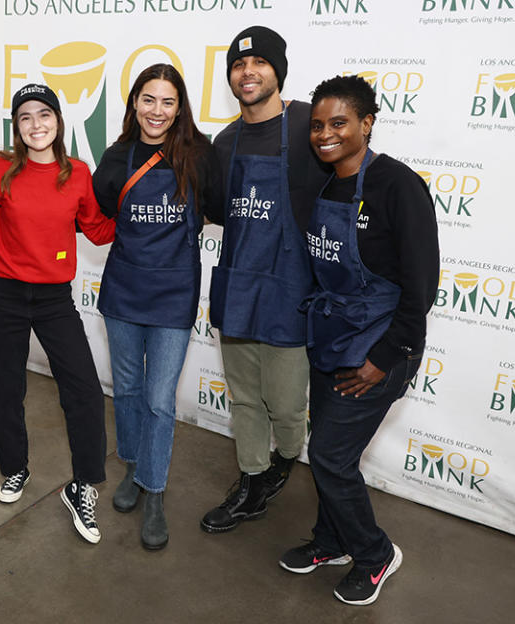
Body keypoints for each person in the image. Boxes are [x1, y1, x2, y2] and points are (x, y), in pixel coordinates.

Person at [278, 75, 437, 606]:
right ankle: (331, 542)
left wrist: (385, 359)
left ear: (366, 124)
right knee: (327, 451)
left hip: (379, 346)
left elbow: (420, 290)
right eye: (318, 125)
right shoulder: (322, 185)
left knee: (328, 455)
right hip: (331, 339)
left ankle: (374, 554)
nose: (325, 134)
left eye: (339, 123)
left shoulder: (398, 186)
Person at [0, 84, 115, 544]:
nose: (36, 125)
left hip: (55, 299)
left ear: (59, 120)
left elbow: (96, 229)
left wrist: (147, 212)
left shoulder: (77, 172)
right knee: (6, 389)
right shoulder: (0, 170)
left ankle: (83, 485)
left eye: (44, 115)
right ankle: (15, 469)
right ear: (17, 127)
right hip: (5, 296)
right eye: (26, 118)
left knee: (86, 393)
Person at [201, 25, 329, 533]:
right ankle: (252, 481)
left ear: (278, 70)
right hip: (238, 283)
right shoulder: (225, 140)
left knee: (286, 401)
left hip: (292, 289)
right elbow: (215, 209)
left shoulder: (306, 125)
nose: (247, 72)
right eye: (237, 65)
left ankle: (285, 461)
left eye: (258, 63)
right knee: (245, 397)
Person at [91, 64, 216, 550]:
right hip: (123, 292)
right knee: (126, 389)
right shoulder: (118, 155)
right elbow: (98, 207)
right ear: (134, 103)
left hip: (174, 294)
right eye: (148, 99)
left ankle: (156, 491)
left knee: (160, 400)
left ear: (180, 107)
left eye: (167, 101)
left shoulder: (199, 156)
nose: (157, 111)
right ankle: (134, 467)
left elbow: (221, 206)